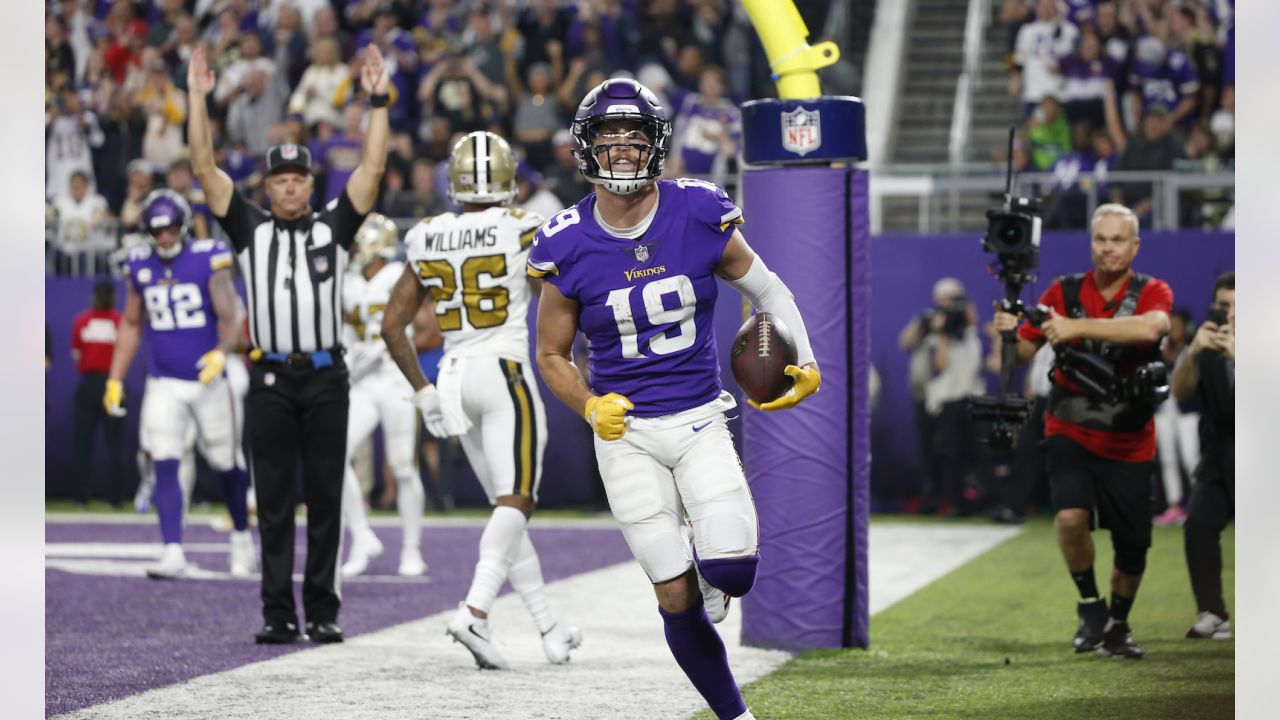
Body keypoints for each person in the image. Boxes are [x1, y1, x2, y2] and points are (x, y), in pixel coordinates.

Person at [528, 79, 820, 720]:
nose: (624, 150)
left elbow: (769, 292)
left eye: (636, 138)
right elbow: (551, 354)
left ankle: (711, 564)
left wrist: (807, 358)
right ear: (586, 148)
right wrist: (588, 407)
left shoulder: (696, 210)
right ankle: (736, 716)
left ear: (657, 145)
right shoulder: (565, 239)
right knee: (674, 596)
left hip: (697, 418)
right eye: (610, 138)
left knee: (734, 572)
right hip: (624, 433)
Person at [186, 43, 391, 645]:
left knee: (325, 500)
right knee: (273, 503)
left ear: (309, 182)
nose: (290, 187)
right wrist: (197, 98)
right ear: (268, 186)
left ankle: (323, 610)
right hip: (270, 379)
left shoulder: (335, 226)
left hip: (327, 377)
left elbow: (373, 170)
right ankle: (277, 613)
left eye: (298, 177)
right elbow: (203, 167)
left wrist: (377, 99)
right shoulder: (249, 227)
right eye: (280, 178)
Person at [382, 130, 581, 669]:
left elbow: (392, 324)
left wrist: (422, 392)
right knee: (517, 501)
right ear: (509, 178)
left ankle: (549, 627)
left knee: (505, 509)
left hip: (450, 376)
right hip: (503, 371)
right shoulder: (523, 228)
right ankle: (474, 610)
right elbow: (563, 298)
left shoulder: (425, 235)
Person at [993, 203, 1172, 660]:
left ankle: (1119, 625)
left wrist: (1074, 327)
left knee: (1133, 546)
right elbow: (1017, 357)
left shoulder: (1153, 290)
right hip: (1068, 425)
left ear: (1135, 245)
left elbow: (1151, 327)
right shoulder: (1064, 290)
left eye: (1117, 240)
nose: (1108, 248)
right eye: (1100, 239)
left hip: (1130, 434)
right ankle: (1091, 607)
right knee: (1070, 518)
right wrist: (1008, 334)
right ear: (1091, 242)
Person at [103, 189, 256, 579]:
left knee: (225, 461)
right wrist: (115, 377)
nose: (166, 238)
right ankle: (172, 549)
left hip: (208, 379)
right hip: (164, 380)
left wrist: (222, 352)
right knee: (164, 458)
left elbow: (229, 315)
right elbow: (133, 322)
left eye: (171, 229)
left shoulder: (208, 257)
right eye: (158, 232)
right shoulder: (138, 263)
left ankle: (241, 538)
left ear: (184, 226)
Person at [338, 213, 427, 578]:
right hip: (363, 383)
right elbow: (345, 328)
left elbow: (428, 331)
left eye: (361, 241)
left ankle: (411, 549)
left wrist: (390, 346)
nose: (356, 248)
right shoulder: (348, 282)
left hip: (395, 379)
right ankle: (361, 537)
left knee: (403, 465)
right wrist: (347, 356)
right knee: (334, 454)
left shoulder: (397, 276)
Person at [1172, 272, 1234, 640]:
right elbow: (1180, 393)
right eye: (1223, 305)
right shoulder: (1206, 346)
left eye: (1236, 307)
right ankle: (1212, 611)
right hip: (1218, 457)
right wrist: (1192, 352)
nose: (1229, 314)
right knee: (1198, 525)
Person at [898, 278, 983, 515]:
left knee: (960, 454)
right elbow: (905, 342)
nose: (949, 305)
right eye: (944, 299)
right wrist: (928, 325)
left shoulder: (964, 329)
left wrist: (949, 326)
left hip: (960, 399)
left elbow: (945, 362)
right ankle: (933, 499)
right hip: (932, 399)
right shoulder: (929, 323)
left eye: (954, 299)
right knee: (933, 452)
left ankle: (963, 500)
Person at [69, 280, 126, 507]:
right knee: (113, 444)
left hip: (98, 383)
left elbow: (76, 355)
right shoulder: (119, 322)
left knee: (86, 444)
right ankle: (115, 498)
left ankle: (82, 497)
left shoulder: (83, 320)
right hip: (110, 383)